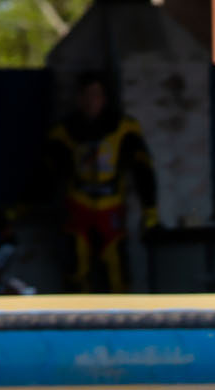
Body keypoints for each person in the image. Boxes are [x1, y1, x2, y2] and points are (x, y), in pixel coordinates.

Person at [44, 71, 159, 292]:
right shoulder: (63, 132)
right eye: (86, 95)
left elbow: (143, 169)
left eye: (95, 95)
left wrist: (150, 210)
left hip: (112, 208)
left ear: (104, 98)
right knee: (75, 270)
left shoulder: (124, 127)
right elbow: (46, 173)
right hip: (77, 208)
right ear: (78, 98)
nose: (90, 101)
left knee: (118, 272)